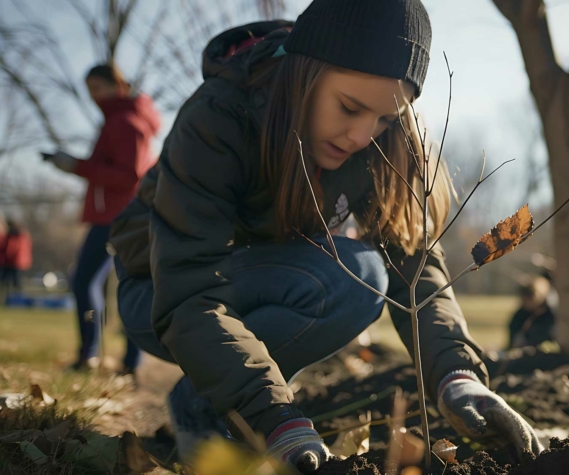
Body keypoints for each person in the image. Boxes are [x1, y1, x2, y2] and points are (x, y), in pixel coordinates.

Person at [107, 2, 541, 472]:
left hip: (257, 284)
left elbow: (413, 265)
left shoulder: (379, 143)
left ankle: (205, 398)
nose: (361, 135)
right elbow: (188, 287)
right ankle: (226, 411)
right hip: (159, 295)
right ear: (304, 74)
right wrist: (274, 418)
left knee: (361, 275)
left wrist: (458, 376)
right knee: (348, 277)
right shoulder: (219, 117)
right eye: (349, 108)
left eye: (384, 118)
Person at [44, 63, 159, 374]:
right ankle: (118, 360)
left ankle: (98, 356)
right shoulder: (120, 119)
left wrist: (75, 166)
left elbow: (129, 175)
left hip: (118, 216)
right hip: (117, 214)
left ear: (117, 85)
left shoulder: (125, 121)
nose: (93, 96)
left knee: (89, 282)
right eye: (89, 90)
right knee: (120, 283)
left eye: (97, 88)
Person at [508, 276, 555, 349]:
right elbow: (513, 330)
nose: (524, 303)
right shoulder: (522, 313)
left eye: (526, 300)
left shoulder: (551, 313)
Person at [0, 218, 32, 293]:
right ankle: (15, 296)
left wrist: (7, 259)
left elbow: (10, 250)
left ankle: (14, 296)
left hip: (14, 262)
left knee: (12, 280)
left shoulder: (14, 237)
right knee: (16, 280)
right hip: (21, 262)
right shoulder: (24, 236)